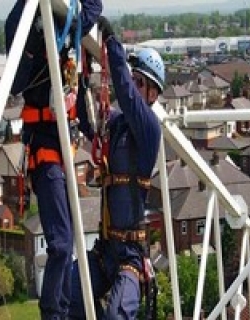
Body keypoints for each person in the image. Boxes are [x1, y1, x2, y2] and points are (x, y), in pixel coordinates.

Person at [4, 1, 102, 319]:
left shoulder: (67, 21)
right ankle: (54, 313)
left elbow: (92, 8)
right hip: (44, 149)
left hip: (63, 150)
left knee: (68, 238)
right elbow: (17, 81)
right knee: (61, 243)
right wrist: (39, 31)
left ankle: (61, 308)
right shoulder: (27, 15)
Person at [71, 16, 165, 319]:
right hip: (106, 251)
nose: (134, 87)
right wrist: (81, 74)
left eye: (141, 83)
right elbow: (88, 120)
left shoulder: (149, 129)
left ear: (153, 94)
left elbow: (123, 90)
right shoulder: (115, 125)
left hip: (130, 257)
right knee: (68, 293)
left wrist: (112, 44)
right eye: (134, 80)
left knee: (117, 315)